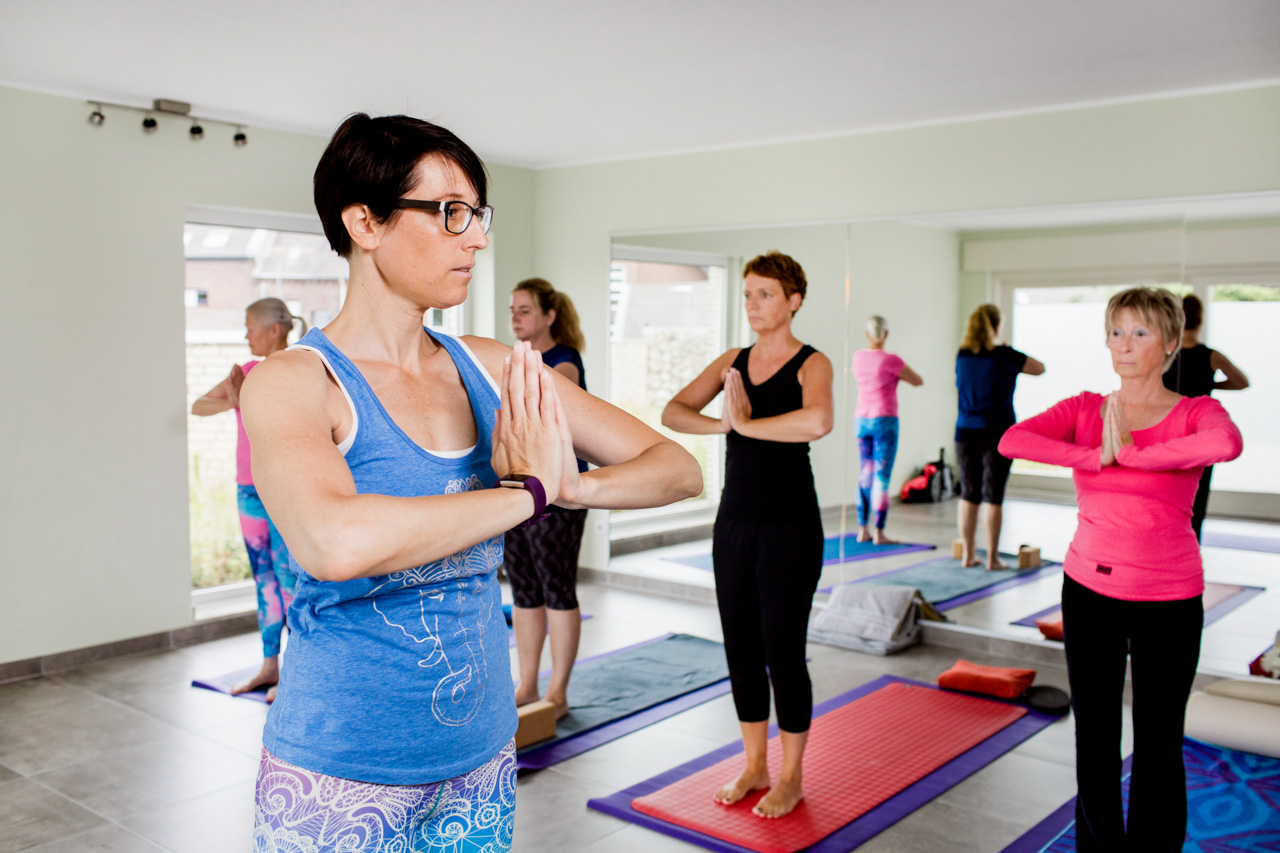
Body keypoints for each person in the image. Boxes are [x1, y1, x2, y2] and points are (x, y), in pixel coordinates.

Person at [240, 113, 702, 852]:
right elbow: (332, 541)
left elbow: (676, 468)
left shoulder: (488, 365)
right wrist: (529, 494)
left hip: (481, 757)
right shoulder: (295, 383)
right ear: (365, 221)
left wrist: (568, 486)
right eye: (451, 212)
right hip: (340, 771)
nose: (477, 238)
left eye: (477, 214)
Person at [999, 286, 1242, 851]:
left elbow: (1227, 444)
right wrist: (1092, 455)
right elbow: (1013, 439)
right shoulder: (1086, 408)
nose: (1123, 345)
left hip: (1170, 598)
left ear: (1171, 343)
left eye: (1139, 332)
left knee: (1159, 742)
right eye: (1115, 331)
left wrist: (1130, 454)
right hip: (1089, 592)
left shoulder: (1194, 412)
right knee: (1096, 740)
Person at [662, 251, 834, 819]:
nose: (754, 305)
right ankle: (755, 764)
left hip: (791, 529)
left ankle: (792, 776)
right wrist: (722, 425)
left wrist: (749, 426)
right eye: (748, 295)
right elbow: (674, 410)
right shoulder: (733, 360)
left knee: (784, 652)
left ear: (793, 301)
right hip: (734, 524)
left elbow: (817, 421)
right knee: (741, 649)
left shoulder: (813, 363)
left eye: (765, 294)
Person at [191, 298, 306, 702]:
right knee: (264, 579)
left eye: (250, 327)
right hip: (248, 488)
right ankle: (269, 665)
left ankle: (295, 670)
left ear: (275, 329)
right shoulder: (249, 373)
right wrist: (237, 399)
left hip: (283, 488)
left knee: (289, 578)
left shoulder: (297, 369)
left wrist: (247, 400)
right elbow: (198, 406)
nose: (245, 335)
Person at [506, 278, 589, 717]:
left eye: (524, 310)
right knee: (524, 589)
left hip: (560, 493)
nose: (516, 318)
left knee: (556, 587)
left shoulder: (564, 362)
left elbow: (541, 410)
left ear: (549, 316)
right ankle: (528, 684)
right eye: (513, 310)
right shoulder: (519, 360)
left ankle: (558, 690)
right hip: (522, 488)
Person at [954, 303, 1044, 570]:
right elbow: (1040, 368)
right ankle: (992, 558)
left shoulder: (963, 354)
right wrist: (1006, 349)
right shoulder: (1006, 355)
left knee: (969, 493)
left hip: (965, 431)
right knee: (993, 495)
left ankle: (968, 555)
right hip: (998, 432)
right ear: (995, 326)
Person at [1162, 293, 1249, 540]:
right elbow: (1241, 382)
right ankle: (1190, 545)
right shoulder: (1211, 356)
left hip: (1168, 432)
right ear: (1200, 321)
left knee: (1166, 494)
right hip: (1199, 435)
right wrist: (1209, 385)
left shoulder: (1163, 354)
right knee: (1195, 497)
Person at [851, 315, 923, 544]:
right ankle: (879, 532)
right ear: (886, 335)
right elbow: (917, 380)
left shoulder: (858, 357)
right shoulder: (891, 361)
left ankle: (863, 529)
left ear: (867, 334)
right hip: (885, 421)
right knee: (881, 478)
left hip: (861, 420)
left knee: (865, 473)